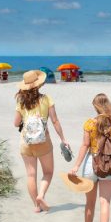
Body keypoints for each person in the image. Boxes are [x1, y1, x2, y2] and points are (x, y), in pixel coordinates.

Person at [68, 94, 111, 222]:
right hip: (110, 165)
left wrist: (76, 166)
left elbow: (85, 146)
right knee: (105, 202)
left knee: (89, 202)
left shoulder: (89, 124)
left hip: (90, 165)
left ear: (95, 107)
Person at [14, 70, 70, 213]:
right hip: (43, 141)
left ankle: (36, 206)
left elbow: (16, 123)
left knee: (31, 175)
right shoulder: (46, 99)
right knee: (48, 172)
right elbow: (55, 121)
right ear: (38, 84)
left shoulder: (20, 101)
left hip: (25, 142)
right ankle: (41, 195)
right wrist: (63, 139)